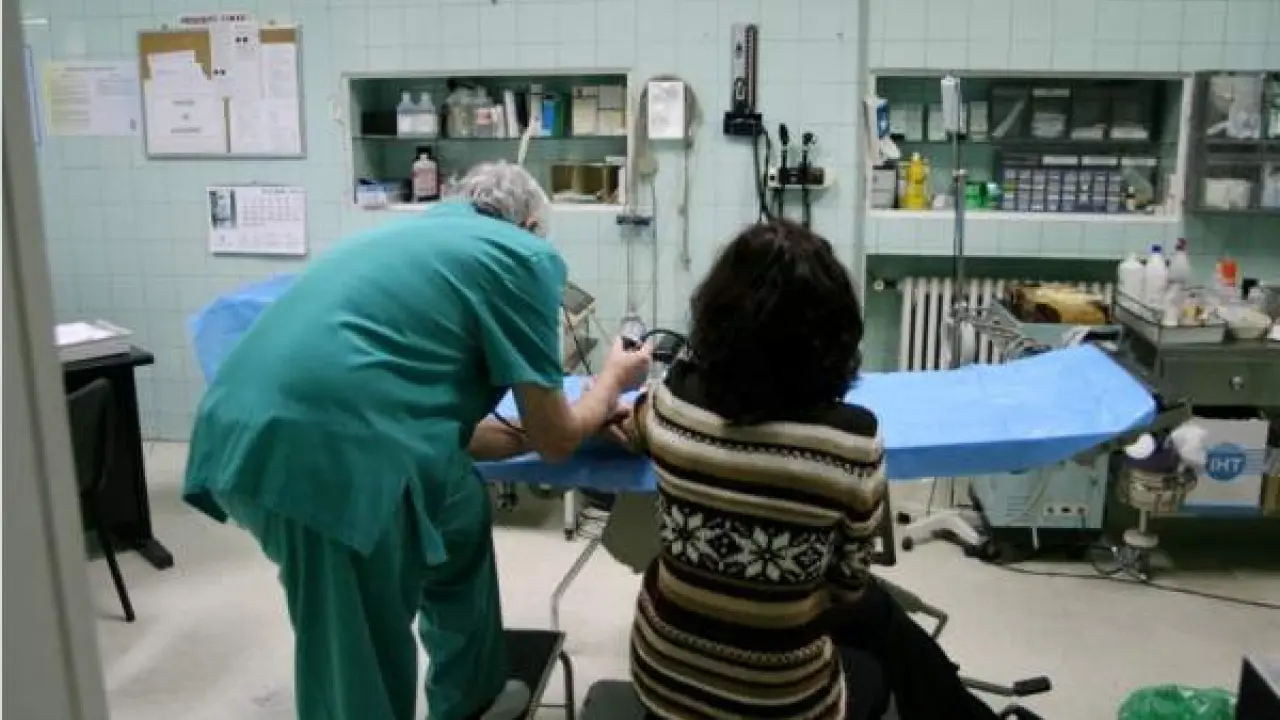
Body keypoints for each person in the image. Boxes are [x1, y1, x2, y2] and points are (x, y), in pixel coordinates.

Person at [183, 162, 651, 720]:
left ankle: (472, 696)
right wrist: (611, 383)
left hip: (239, 426)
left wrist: (577, 418)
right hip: (326, 461)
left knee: (459, 510)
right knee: (358, 652)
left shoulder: (409, 234)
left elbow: (445, 434)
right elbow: (555, 442)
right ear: (529, 225)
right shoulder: (524, 256)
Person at [613, 220, 1003, 720]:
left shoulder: (672, 403)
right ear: (832, 335)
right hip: (783, 705)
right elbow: (845, 587)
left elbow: (630, 427)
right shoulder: (850, 443)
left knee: (871, 615)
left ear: (714, 316)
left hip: (663, 682)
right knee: (876, 632)